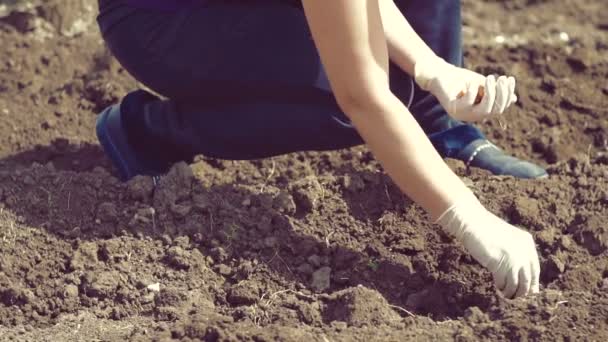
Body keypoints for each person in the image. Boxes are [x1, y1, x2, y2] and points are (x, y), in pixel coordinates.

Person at [95, 0, 541, 298]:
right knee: (350, 96)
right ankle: (150, 130)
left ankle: (433, 128)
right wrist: (470, 219)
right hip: (163, 19)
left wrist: (431, 68)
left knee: (393, 82)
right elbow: (362, 95)